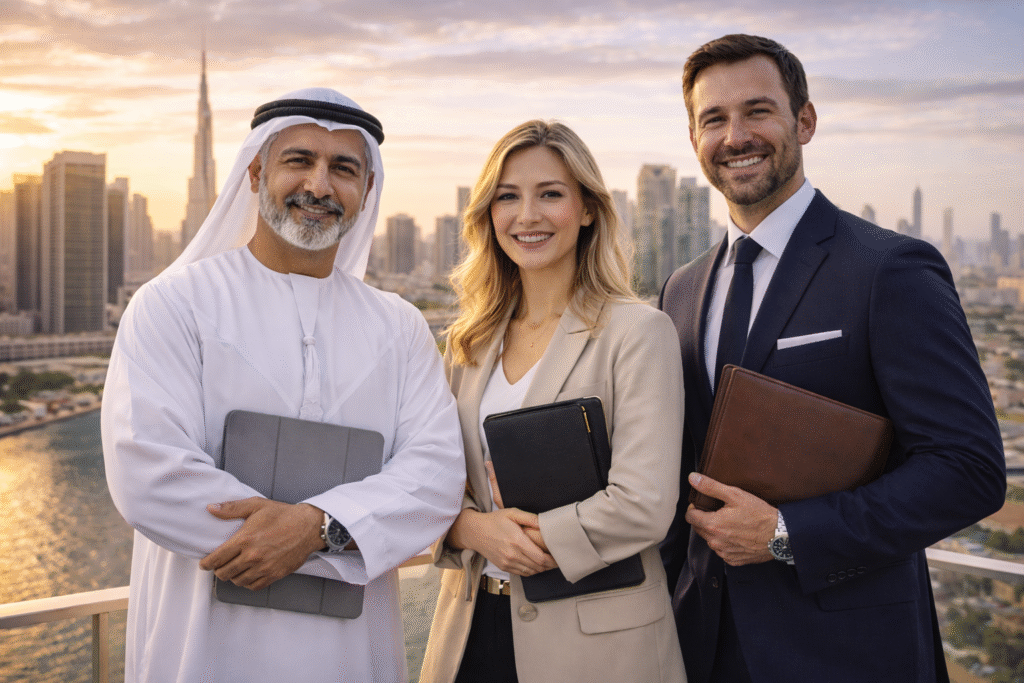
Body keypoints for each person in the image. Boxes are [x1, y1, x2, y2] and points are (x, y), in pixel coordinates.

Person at [658, 34, 1006, 683]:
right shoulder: (680, 289)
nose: (736, 136)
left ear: (805, 121)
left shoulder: (888, 268)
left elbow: (969, 469)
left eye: (758, 111)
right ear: (694, 138)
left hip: (845, 654)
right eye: (714, 119)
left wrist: (787, 532)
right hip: (700, 646)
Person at [101, 87, 466, 683]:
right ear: (255, 172)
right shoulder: (172, 305)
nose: (319, 186)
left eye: (343, 168)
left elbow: (436, 477)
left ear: (367, 188)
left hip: (352, 657)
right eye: (299, 161)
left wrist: (316, 527)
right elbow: (148, 475)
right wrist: (345, 536)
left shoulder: (399, 327)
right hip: (204, 650)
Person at [418, 120, 686, 683]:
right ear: (487, 214)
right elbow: (428, 482)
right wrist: (470, 530)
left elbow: (645, 503)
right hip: (469, 631)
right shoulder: (467, 344)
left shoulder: (638, 333)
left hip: (598, 650)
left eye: (550, 194)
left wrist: (518, 539)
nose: (527, 215)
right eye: (507, 197)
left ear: (587, 209)